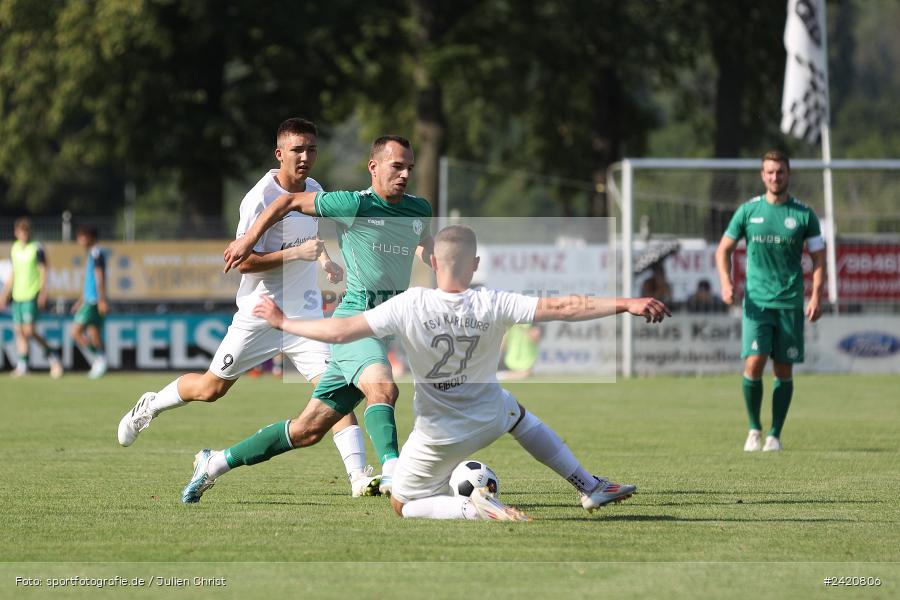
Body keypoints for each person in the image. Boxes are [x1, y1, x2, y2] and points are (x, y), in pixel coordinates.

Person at [183, 225, 670, 521]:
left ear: (432, 260)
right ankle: (588, 484)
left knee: (402, 503)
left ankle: (469, 506)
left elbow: (342, 330)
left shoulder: (409, 304)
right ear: (475, 263)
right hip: (489, 412)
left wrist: (284, 322)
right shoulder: (494, 300)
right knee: (518, 414)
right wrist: (626, 302)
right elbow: (565, 306)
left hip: (438, 431)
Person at [116, 118, 380, 497]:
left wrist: (323, 261)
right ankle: (153, 404)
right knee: (210, 390)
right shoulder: (258, 198)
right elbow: (241, 261)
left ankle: (359, 477)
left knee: (332, 391)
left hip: (303, 316)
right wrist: (296, 254)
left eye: (312, 149)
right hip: (259, 313)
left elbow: (311, 239)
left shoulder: (316, 189)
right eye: (297, 150)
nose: (306, 157)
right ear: (279, 154)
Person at [221, 135, 434, 496]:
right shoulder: (351, 204)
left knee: (307, 430)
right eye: (397, 166)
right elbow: (287, 201)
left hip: (386, 325)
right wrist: (247, 240)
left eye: (409, 168)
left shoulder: (420, 209)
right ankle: (396, 474)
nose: (404, 175)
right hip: (354, 322)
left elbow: (423, 244)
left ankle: (214, 462)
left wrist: (439, 262)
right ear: (374, 166)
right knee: (383, 388)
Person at [715, 150, 825, 452]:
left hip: (790, 302)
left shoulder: (804, 214)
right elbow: (723, 250)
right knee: (754, 362)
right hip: (756, 302)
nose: (775, 177)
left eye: (780, 172)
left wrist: (817, 295)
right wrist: (726, 282)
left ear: (789, 174)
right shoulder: (748, 212)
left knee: (783, 369)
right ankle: (754, 429)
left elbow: (819, 258)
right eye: (770, 172)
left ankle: (775, 435)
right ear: (763, 175)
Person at [0, 217, 63, 378]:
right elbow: (13, 273)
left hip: (31, 294)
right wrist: (4, 294)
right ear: (16, 232)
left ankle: (53, 355)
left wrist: (43, 292)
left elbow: (44, 271)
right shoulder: (14, 249)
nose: (24, 235)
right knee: (19, 331)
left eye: (26, 231)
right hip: (17, 295)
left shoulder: (37, 248)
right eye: (21, 231)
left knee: (29, 331)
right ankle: (22, 366)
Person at [71, 225, 109, 379]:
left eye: (82, 237)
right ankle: (100, 361)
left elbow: (100, 276)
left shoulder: (96, 252)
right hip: (90, 299)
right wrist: (80, 300)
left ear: (90, 237)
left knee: (76, 332)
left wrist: (101, 299)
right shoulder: (93, 253)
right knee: (94, 333)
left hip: (93, 300)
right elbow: (90, 280)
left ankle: (99, 360)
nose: (79, 240)